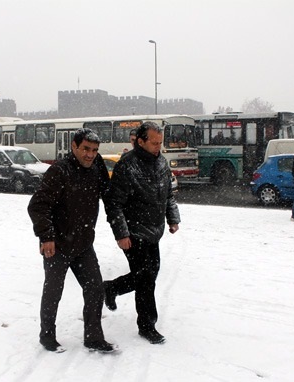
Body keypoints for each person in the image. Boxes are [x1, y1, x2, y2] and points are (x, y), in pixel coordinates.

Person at [27, 128, 117, 353]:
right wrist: (47, 237)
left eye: (94, 150)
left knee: (95, 289)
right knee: (53, 291)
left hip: (84, 244)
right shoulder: (59, 171)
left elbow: (110, 195)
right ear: (74, 147)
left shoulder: (97, 168)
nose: (90, 154)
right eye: (85, 149)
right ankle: (47, 336)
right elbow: (38, 205)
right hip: (57, 244)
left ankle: (93, 337)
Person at [103, 121, 180, 345]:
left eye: (160, 143)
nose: (159, 147)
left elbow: (168, 195)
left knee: (149, 275)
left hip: (154, 231)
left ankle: (111, 287)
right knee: (146, 279)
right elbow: (114, 204)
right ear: (140, 141)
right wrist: (121, 234)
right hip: (133, 232)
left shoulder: (162, 164)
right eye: (154, 143)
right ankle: (147, 326)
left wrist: (172, 218)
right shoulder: (127, 166)